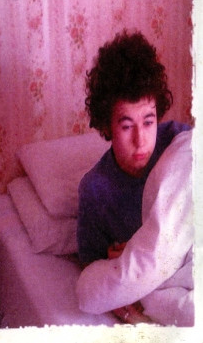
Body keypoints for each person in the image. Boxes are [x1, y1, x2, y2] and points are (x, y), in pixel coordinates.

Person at [76, 29, 191, 323]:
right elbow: (95, 273)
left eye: (148, 122)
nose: (141, 140)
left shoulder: (178, 143)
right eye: (127, 126)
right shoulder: (95, 191)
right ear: (107, 126)